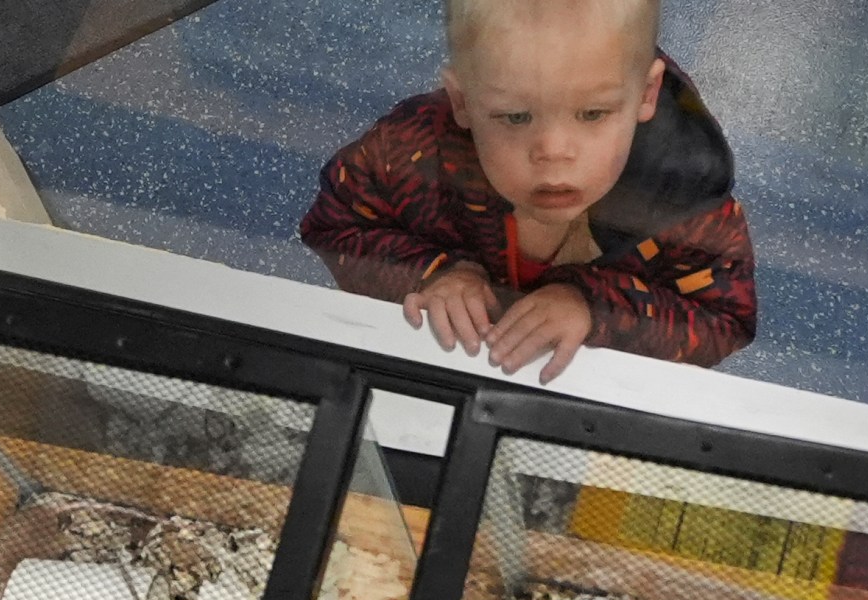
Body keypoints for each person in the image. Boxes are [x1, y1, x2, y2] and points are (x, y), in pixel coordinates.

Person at [299, 0, 756, 382]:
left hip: (585, 421)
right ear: (462, 100)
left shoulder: (685, 204)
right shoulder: (413, 150)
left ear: (646, 93)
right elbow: (334, 224)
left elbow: (723, 321)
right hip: (425, 383)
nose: (553, 151)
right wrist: (435, 273)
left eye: (593, 114)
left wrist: (595, 306)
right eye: (516, 117)